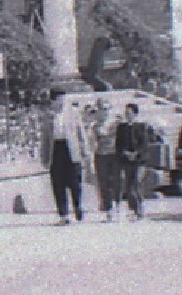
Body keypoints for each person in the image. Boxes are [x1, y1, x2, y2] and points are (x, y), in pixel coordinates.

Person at [40, 89, 90, 225]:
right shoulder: (48, 116)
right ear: (53, 101)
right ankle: (63, 214)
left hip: (71, 149)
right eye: (59, 99)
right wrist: (43, 157)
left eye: (64, 99)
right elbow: (44, 138)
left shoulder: (73, 114)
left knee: (75, 182)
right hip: (56, 149)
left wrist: (85, 151)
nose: (62, 102)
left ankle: (78, 206)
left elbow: (81, 133)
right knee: (58, 183)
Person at [115, 102, 149, 220]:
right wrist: (125, 153)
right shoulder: (121, 128)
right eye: (126, 113)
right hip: (126, 160)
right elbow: (118, 144)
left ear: (135, 114)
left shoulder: (141, 126)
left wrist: (136, 153)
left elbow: (144, 144)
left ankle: (140, 208)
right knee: (129, 186)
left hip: (139, 161)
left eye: (129, 113)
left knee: (136, 183)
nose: (127, 115)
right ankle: (134, 209)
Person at [89, 98, 121, 222]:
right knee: (103, 182)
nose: (104, 112)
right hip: (101, 155)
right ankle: (108, 208)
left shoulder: (116, 123)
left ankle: (117, 204)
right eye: (101, 109)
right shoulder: (95, 126)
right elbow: (93, 142)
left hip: (115, 154)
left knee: (116, 180)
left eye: (106, 109)